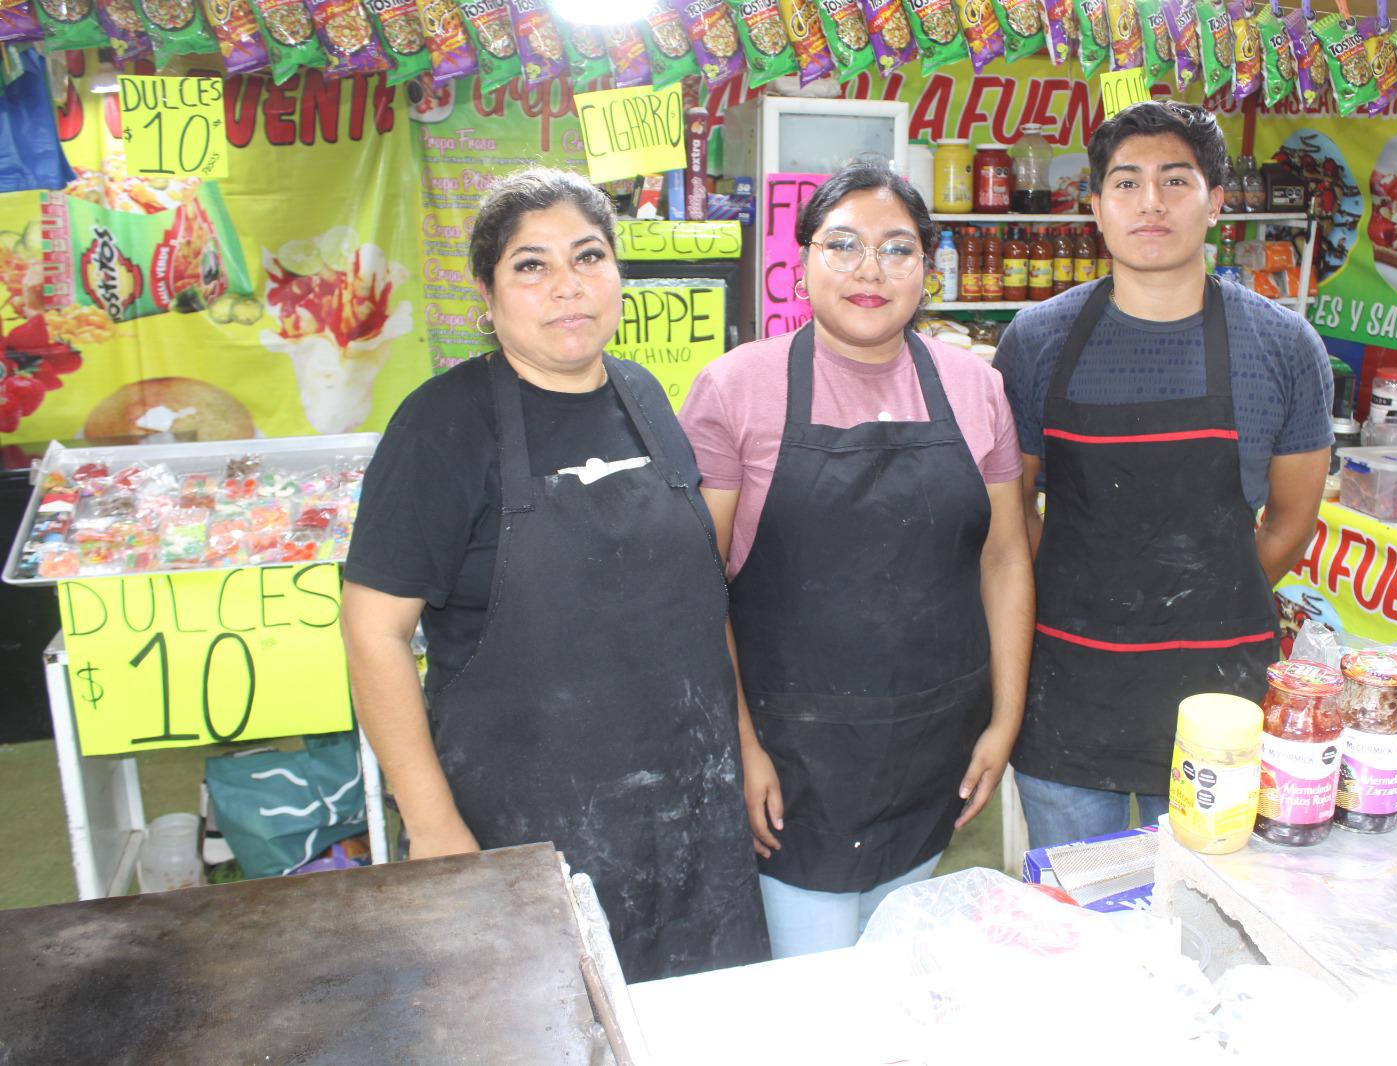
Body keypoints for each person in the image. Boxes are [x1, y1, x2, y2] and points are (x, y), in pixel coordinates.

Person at [339, 167, 767, 982]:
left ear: (618, 274)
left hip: (688, 806)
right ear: (489, 293)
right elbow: (374, 633)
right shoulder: (440, 426)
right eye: (531, 266)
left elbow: (699, 595)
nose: (567, 286)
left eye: (589, 256)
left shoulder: (645, 397)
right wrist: (430, 826)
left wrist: (743, 746)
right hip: (527, 817)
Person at [679, 163, 1034, 958]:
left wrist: (1004, 721)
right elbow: (694, 589)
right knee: (816, 1005)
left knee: (902, 984)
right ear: (801, 258)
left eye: (897, 249)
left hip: (935, 757)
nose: (869, 271)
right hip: (792, 767)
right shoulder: (736, 389)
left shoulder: (977, 388)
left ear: (929, 269)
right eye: (842, 245)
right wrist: (739, 748)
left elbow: (1005, 560)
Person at [994, 102, 1332, 849]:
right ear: (1096, 208)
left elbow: (1290, 522)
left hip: (1220, 698)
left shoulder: (1284, 347)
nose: (1151, 203)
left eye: (1175, 181)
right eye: (1126, 183)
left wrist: (1205, 602)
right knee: (1076, 921)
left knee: (1202, 917)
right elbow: (1014, 513)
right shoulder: (1037, 340)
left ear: (1216, 202)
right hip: (1069, 691)